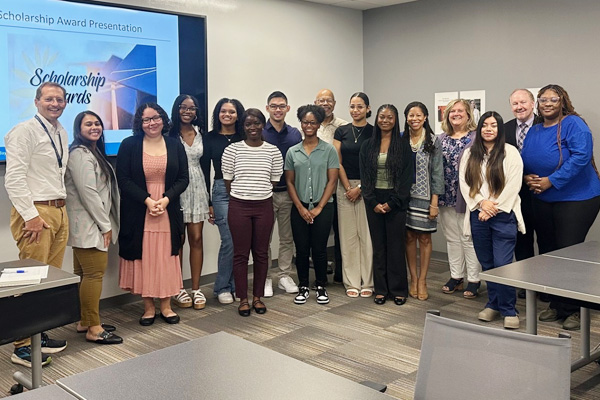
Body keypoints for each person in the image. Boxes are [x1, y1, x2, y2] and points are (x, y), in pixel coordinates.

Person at [521, 84, 600, 331]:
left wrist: (550, 181)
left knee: (569, 254)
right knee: (549, 252)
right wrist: (528, 178)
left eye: (552, 99)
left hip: (577, 198)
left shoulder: (574, 124)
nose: (547, 103)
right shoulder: (534, 130)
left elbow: (581, 156)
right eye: (542, 99)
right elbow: (526, 158)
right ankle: (557, 304)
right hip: (543, 198)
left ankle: (575, 309)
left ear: (562, 101)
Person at [5, 82, 69, 367]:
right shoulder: (24, 131)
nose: (55, 103)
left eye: (60, 99)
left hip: (58, 210)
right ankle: (21, 346)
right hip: (35, 214)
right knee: (29, 280)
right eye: (49, 99)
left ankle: (37, 336)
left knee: (48, 280)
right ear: (36, 101)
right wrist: (31, 216)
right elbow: (14, 178)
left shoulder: (61, 131)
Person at [117, 103, 189, 326]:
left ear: (163, 119)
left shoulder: (175, 144)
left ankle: (166, 306)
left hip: (167, 209)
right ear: (140, 123)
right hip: (140, 209)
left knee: (166, 256)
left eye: (155, 118)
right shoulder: (129, 144)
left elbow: (183, 178)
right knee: (146, 256)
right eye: (146, 119)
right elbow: (124, 180)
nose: (152, 123)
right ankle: (148, 307)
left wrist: (166, 199)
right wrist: (148, 200)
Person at [459, 111, 524, 329]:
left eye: (493, 125)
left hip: (503, 215)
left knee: (502, 264)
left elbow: (513, 185)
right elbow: (465, 183)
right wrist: (480, 203)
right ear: (479, 129)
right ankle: (493, 304)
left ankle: (508, 309)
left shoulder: (510, 152)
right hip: (479, 215)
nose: (488, 129)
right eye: (485, 125)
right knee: (487, 263)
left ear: (500, 129)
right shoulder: (470, 153)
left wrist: (492, 206)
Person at [65, 111, 123, 344]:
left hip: (86, 224)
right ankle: (94, 328)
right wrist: (105, 225)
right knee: (93, 274)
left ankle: (85, 320)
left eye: (97, 123)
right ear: (78, 130)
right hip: (90, 224)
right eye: (88, 124)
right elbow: (88, 192)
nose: (94, 127)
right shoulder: (80, 154)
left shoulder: (91, 152)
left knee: (83, 274)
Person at [222, 108, 283, 316]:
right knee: (240, 255)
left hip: (264, 206)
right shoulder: (232, 151)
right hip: (239, 206)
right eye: (248, 124)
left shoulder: (273, 151)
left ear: (262, 124)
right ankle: (243, 299)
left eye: (256, 123)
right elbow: (228, 182)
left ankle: (257, 297)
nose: (253, 127)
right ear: (243, 127)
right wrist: (245, 194)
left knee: (261, 253)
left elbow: (274, 180)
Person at [286, 104, 339, 305]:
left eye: (313, 122)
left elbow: (332, 182)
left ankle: (321, 286)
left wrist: (318, 208)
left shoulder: (329, 150)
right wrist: (300, 207)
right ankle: (303, 286)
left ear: (318, 125)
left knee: (319, 249)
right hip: (299, 207)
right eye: (305, 122)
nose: (309, 125)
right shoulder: (293, 152)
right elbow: (289, 181)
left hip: (323, 207)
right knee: (301, 248)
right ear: (301, 123)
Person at [360, 104, 413, 306]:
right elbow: (365, 177)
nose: (385, 120)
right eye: (382, 117)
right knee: (379, 247)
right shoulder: (367, 145)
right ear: (377, 118)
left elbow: (407, 178)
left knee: (396, 246)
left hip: (396, 201)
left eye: (389, 117)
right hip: (373, 200)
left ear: (395, 119)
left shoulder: (403, 145)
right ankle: (381, 289)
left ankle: (398, 289)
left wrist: (392, 203)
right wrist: (373, 201)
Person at [200, 98, 245, 304]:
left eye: (232, 112)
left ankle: (236, 285)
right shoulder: (208, 138)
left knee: (241, 239)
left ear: (238, 115)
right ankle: (222, 287)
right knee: (229, 239)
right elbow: (204, 170)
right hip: (220, 191)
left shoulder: (244, 136)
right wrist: (209, 202)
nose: (227, 115)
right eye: (223, 111)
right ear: (217, 114)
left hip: (244, 189)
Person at [168, 94, 210, 310]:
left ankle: (196, 289)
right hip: (177, 188)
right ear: (176, 109)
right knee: (179, 239)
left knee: (196, 238)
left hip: (198, 188)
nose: (187, 111)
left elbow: (206, 166)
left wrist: (210, 199)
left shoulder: (201, 133)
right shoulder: (168, 134)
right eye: (183, 107)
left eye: (192, 108)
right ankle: (178, 288)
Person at [438, 99, 482, 299]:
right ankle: (456, 276)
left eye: (460, 111)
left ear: (468, 114)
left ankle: (474, 279)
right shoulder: (440, 139)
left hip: (468, 196)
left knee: (468, 238)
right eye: (452, 111)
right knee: (452, 238)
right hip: (446, 195)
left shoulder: (476, 138)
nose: (456, 114)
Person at [401, 102, 444, 301]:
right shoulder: (401, 139)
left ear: (425, 117)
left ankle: (423, 280)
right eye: (411, 115)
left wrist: (434, 203)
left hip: (425, 199)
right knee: (409, 238)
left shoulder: (433, 141)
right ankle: (413, 278)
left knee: (425, 239)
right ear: (406, 117)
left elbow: (437, 172)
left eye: (419, 115)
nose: (415, 118)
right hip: (404, 198)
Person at [333, 92, 373, 298]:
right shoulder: (341, 131)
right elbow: (336, 161)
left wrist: (361, 188)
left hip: (368, 187)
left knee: (366, 237)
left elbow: (376, 165)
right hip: (344, 186)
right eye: (352, 106)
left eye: (360, 106)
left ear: (367, 108)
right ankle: (351, 281)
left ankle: (368, 281)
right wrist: (348, 187)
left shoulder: (374, 132)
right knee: (348, 237)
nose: (355, 110)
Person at [262, 91, 302, 296]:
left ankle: (284, 275)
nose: (278, 109)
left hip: (287, 193)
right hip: (265, 194)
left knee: (287, 237)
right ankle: (266, 277)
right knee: (264, 238)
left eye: (281, 106)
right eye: (274, 106)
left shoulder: (295, 134)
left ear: (288, 108)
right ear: (267, 108)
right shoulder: (260, 132)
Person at [504, 89, 539, 299]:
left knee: (546, 240)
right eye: (515, 103)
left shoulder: (545, 124)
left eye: (523, 102)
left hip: (545, 192)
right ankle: (527, 285)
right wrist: (523, 177)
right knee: (522, 240)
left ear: (532, 103)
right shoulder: (506, 128)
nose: (519, 106)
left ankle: (545, 285)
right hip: (516, 194)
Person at [315, 89, 348, 283]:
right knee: (318, 234)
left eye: (329, 100)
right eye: (321, 100)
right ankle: (319, 274)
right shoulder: (308, 125)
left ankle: (340, 272)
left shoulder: (343, 126)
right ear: (315, 102)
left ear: (334, 104)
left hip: (338, 188)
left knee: (341, 232)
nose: (325, 103)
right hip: (315, 189)